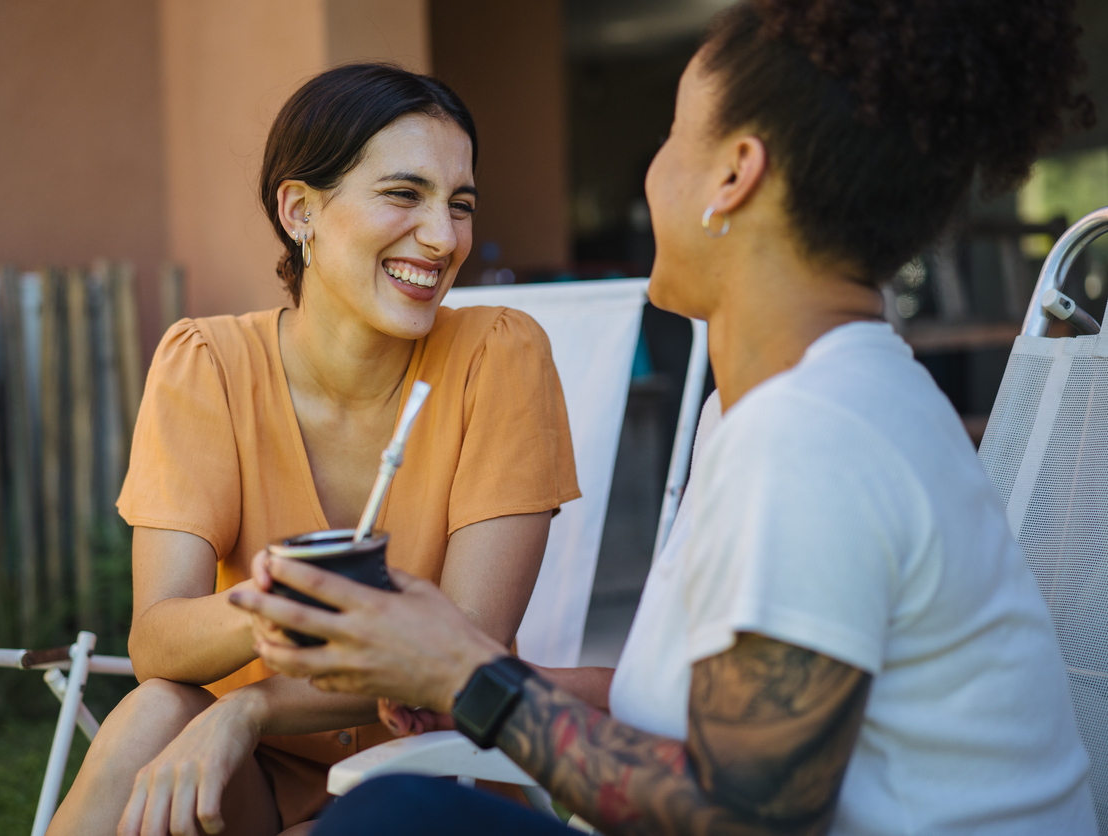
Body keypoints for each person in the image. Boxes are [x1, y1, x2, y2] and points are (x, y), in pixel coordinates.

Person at [230, 1, 1099, 834]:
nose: (651, 175)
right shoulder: (782, 411)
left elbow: (747, 816)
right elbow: (700, 703)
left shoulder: (814, 437)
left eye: (670, 139)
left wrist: (466, 671)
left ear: (733, 175)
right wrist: (469, 673)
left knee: (394, 822)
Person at [47, 64, 580, 836]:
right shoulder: (207, 365)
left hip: (430, 775)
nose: (443, 238)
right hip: (246, 784)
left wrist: (255, 706)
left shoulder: (500, 356)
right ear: (300, 210)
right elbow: (157, 639)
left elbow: (466, 650)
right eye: (405, 194)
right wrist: (279, 603)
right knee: (155, 709)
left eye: (459, 205)